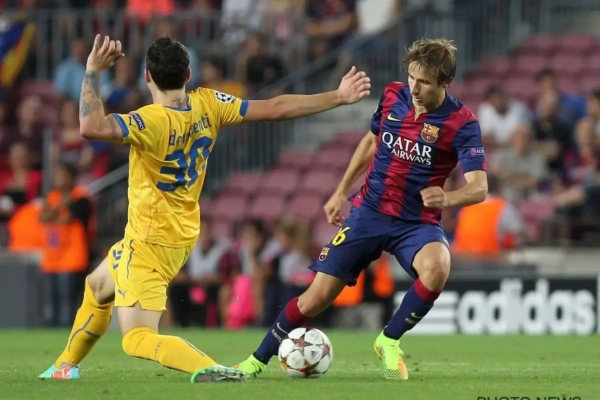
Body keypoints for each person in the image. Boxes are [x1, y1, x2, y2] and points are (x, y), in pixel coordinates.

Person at [38, 34, 371, 383]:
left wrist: (93, 71)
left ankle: (211, 368)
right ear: (188, 74)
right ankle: (65, 366)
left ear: (147, 76)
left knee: (136, 338)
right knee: (97, 286)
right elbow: (276, 108)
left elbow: (91, 126)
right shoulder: (209, 103)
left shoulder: (148, 121)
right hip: (180, 234)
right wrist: (337, 96)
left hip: (149, 240)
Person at [235, 38, 488, 381]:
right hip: (369, 212)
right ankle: (254, 362)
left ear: (446, 82)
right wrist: (340, 191)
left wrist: (448, 198)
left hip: (416, 222)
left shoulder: (462, 122)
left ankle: (389, 340)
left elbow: (479, 187)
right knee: (314, 300)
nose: (414, 88)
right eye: (412, 78)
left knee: (438, 266)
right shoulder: (393, 96)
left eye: (425, 82)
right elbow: (371, 141)